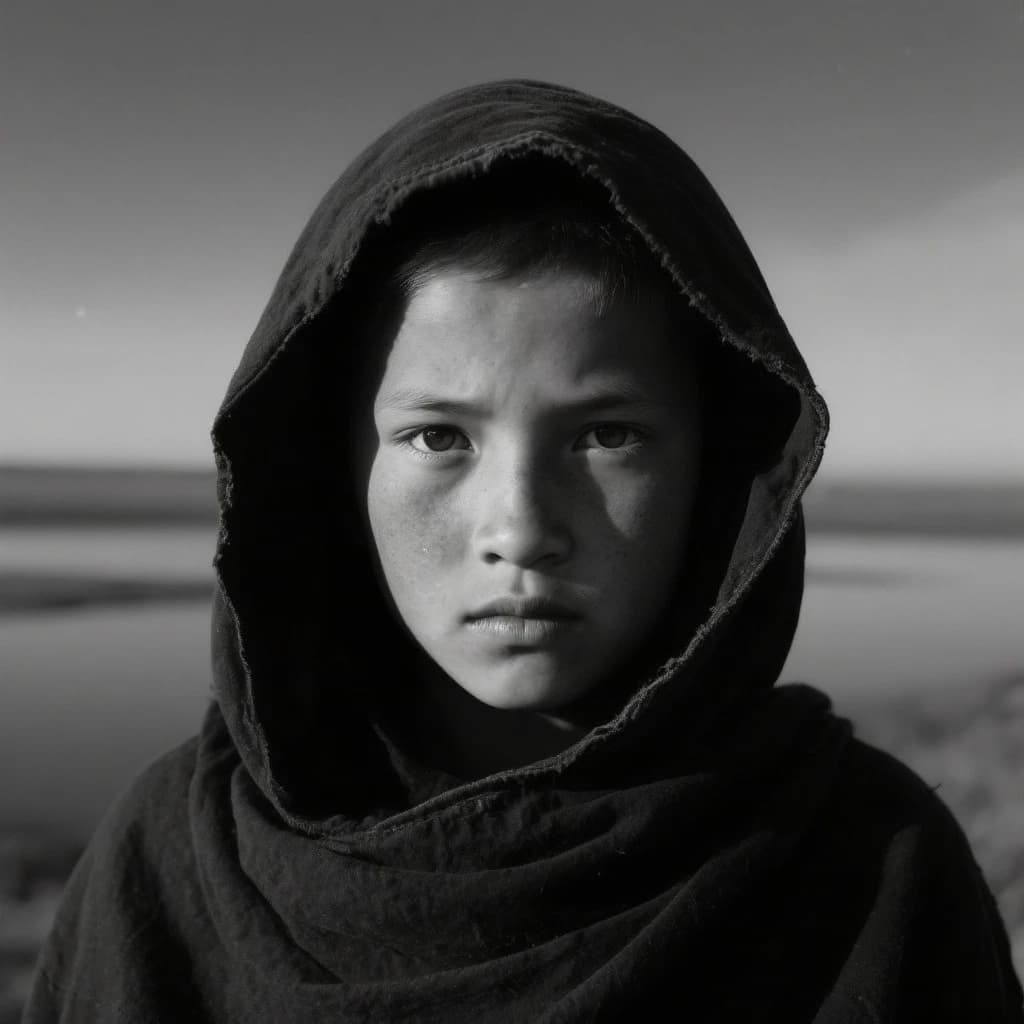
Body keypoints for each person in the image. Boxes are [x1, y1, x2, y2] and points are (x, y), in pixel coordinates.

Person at [24, 79, 1022, 1022]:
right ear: (335, 474)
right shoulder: (168, 863)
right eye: (439, 437)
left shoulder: (869, 868)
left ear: (716, 472)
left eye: (605, 434)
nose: (520, 529)